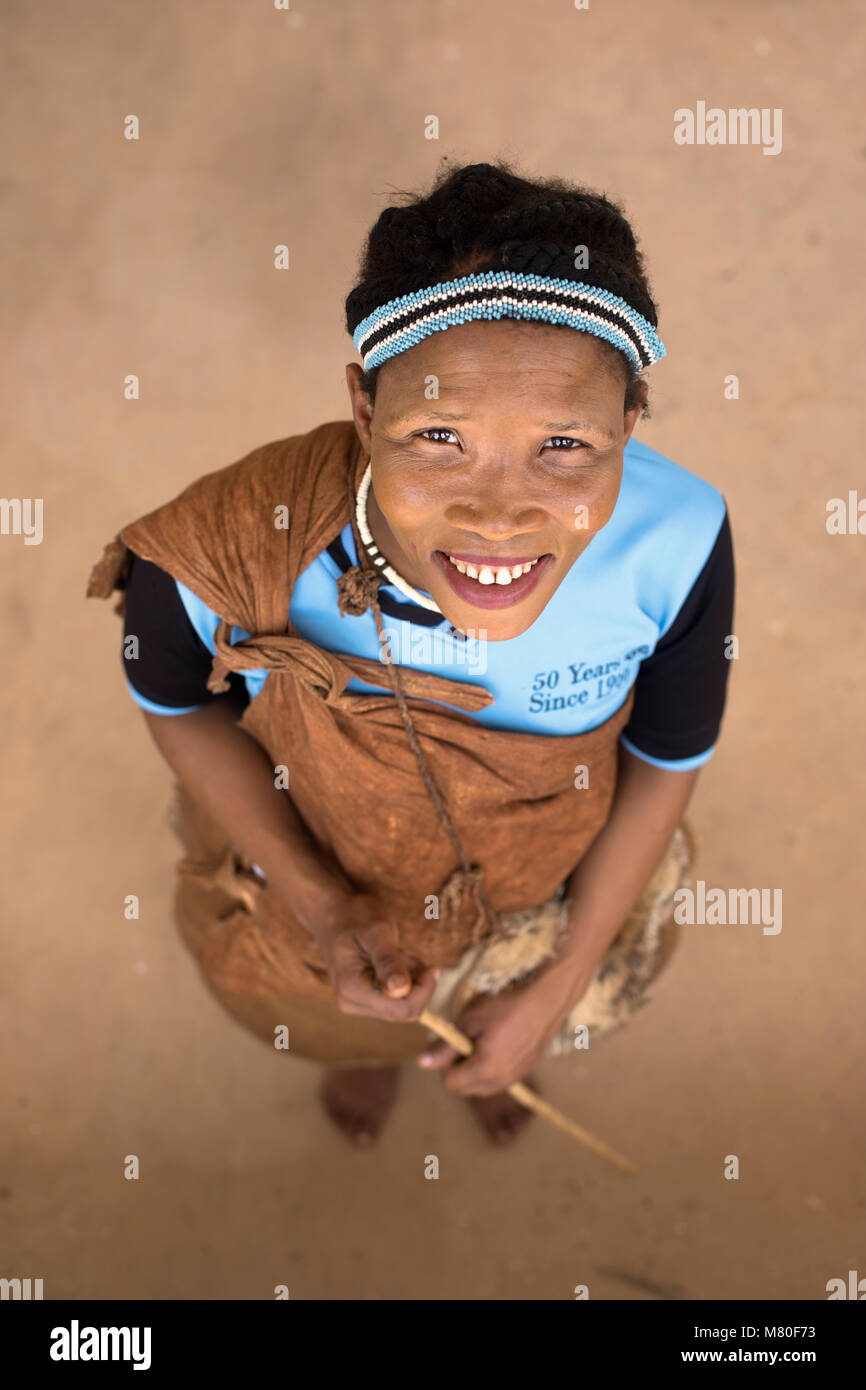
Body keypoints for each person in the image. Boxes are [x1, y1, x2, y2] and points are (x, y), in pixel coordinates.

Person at [88, 160, 734, 1147]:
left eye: (564, 445)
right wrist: (321, 904)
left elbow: (663, 762)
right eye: (439, 433)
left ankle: (492, 1050)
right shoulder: (230, 547)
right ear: (363, 408)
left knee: (503, 1023)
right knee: (337, 1022)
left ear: (626, 426)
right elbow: (175, 702)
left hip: (535, 904)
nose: (497, 516)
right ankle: (372, 1068)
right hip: (309, 909)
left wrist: (553, 986)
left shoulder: (679, 539)